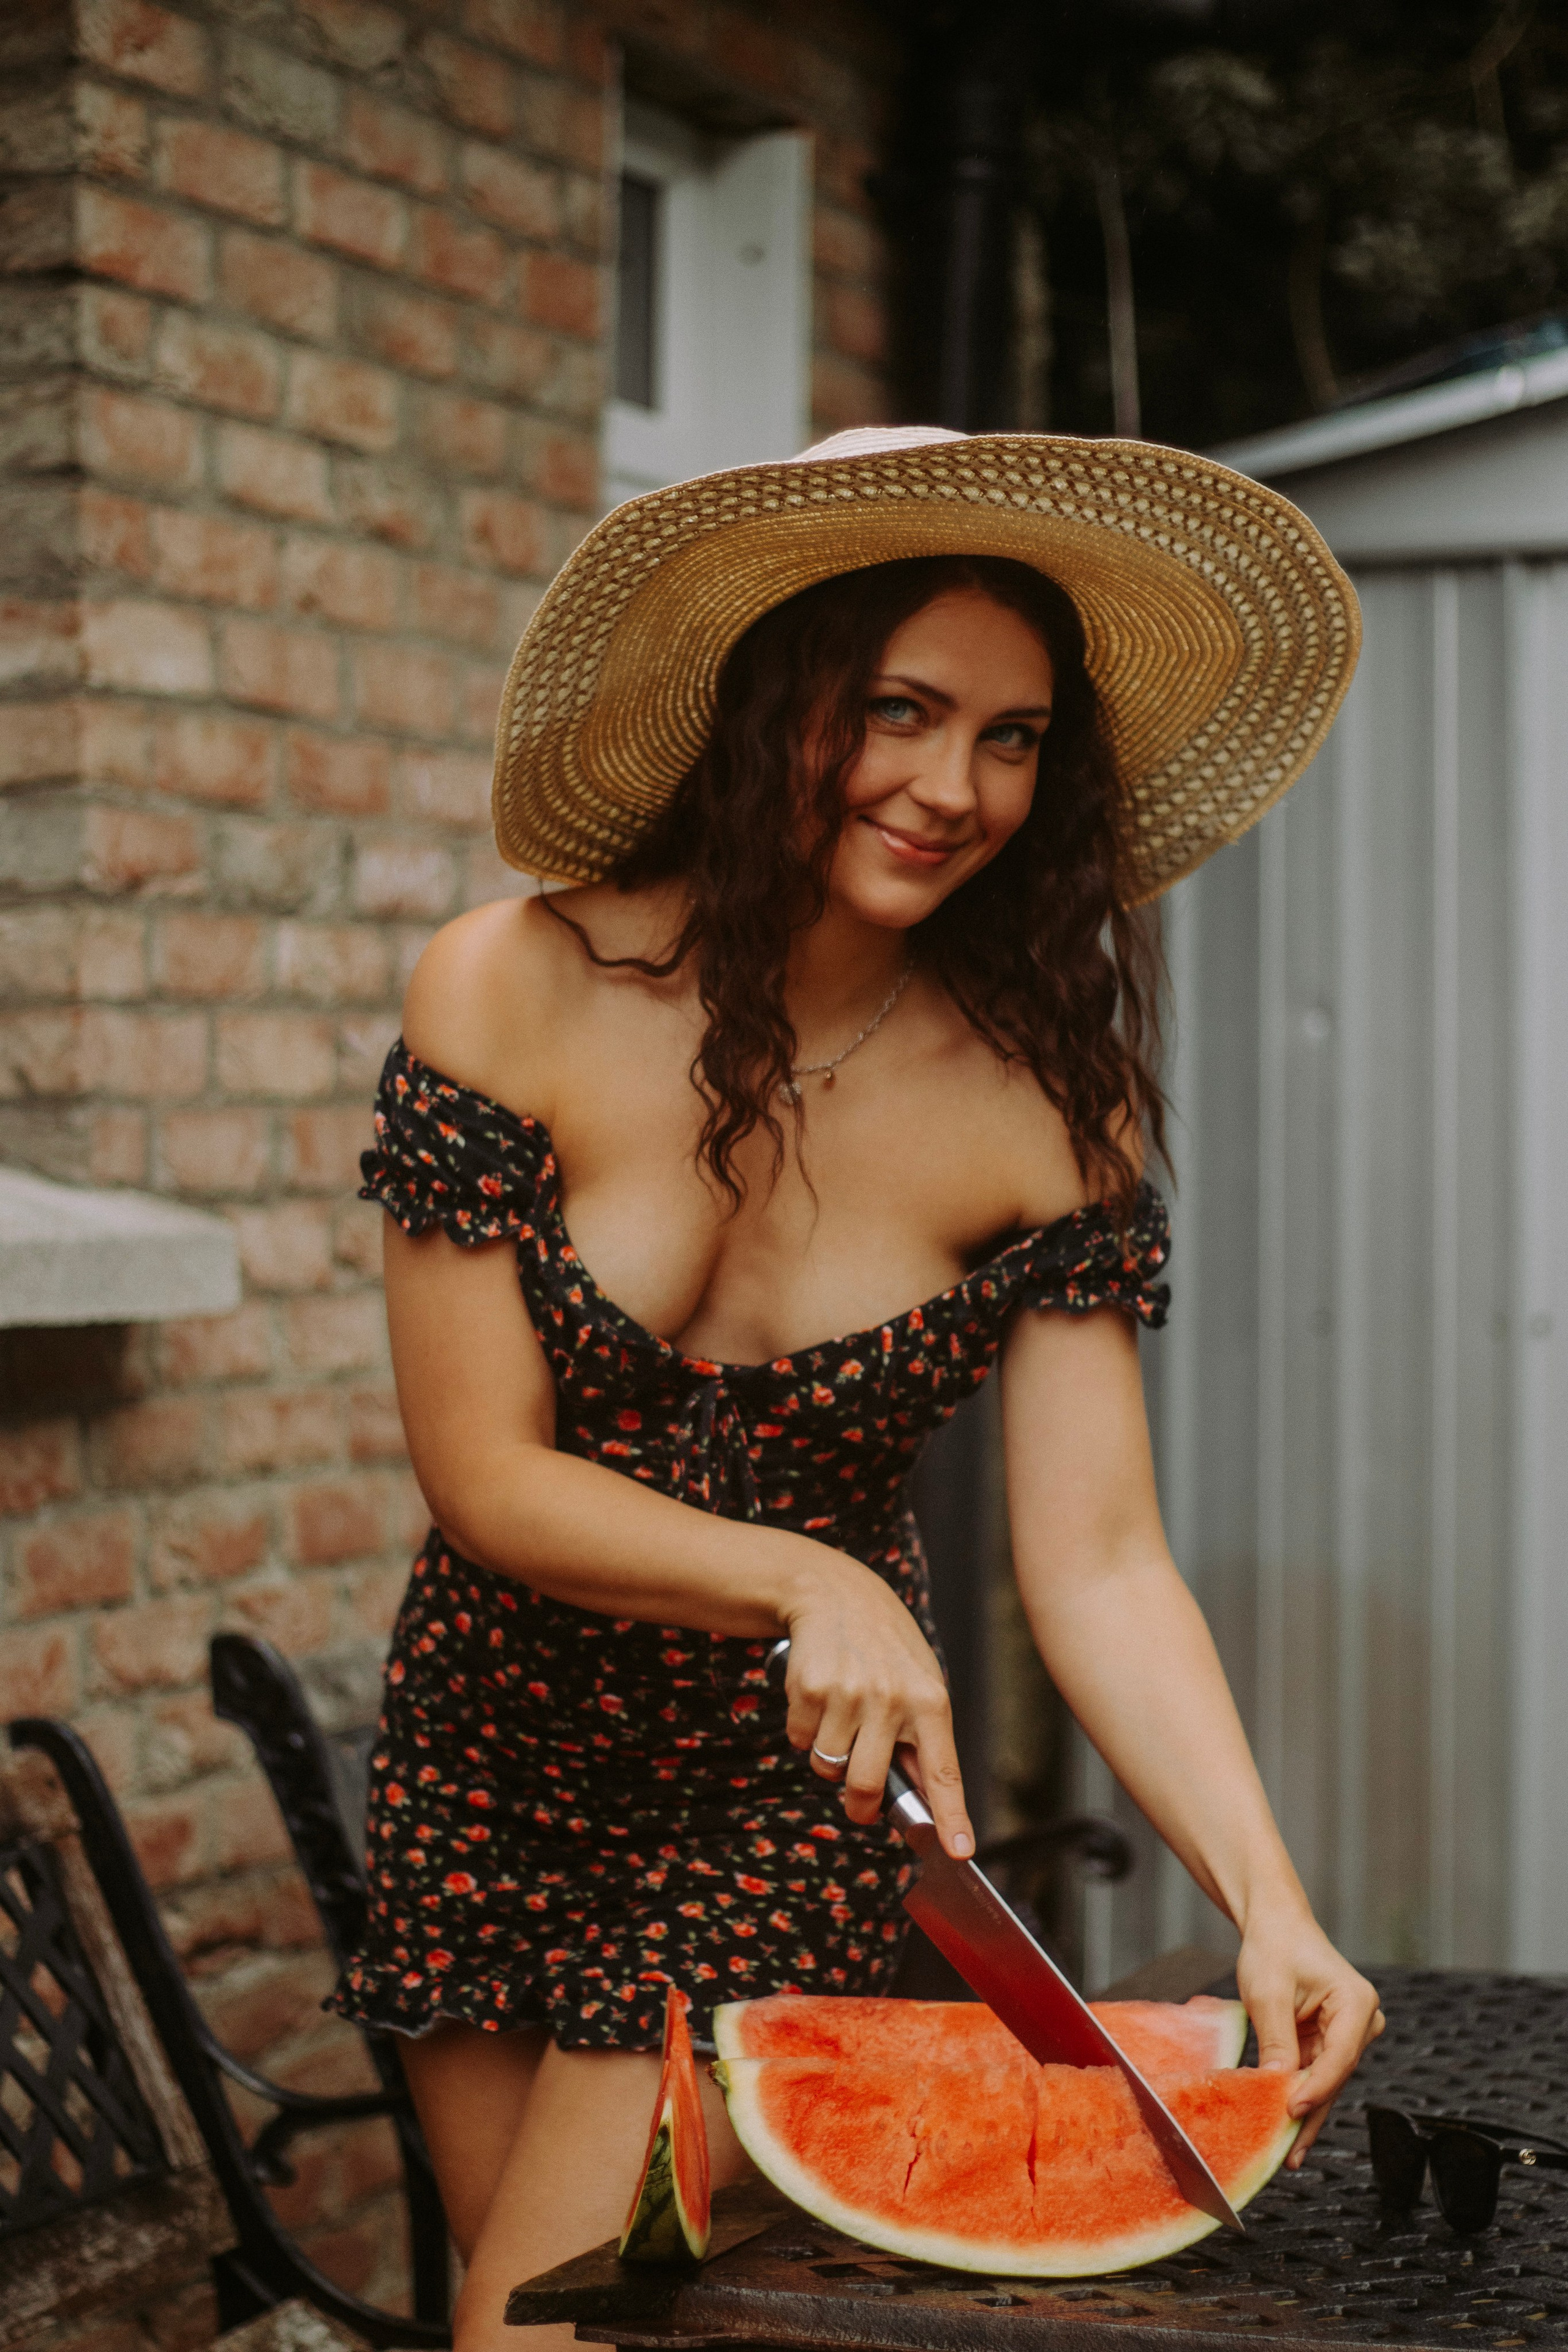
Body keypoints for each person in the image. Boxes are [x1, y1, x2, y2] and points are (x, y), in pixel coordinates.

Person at [328, 426, 1382, 2351]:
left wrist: (1271, 1897)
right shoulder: (509, 988)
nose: (951, 786)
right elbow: (483, 1476)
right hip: (482, 1763)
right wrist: (818, 1575)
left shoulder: (1048, 1101)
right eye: (901, 710)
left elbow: (1106, 1560)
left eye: (1012, 738)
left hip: (780, 1799)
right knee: (574, 2315)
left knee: (522, 2333)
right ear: (778, 700)